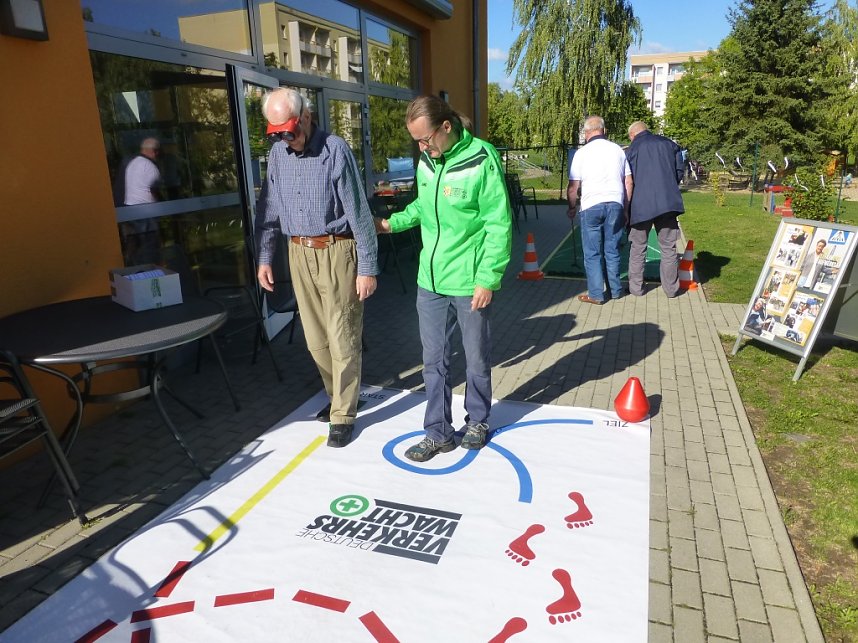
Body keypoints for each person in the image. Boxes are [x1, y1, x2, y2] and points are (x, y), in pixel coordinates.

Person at [375, 95, 512, 462]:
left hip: (469, 281)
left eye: (426, 139)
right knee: (433, 360)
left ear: (446, 128)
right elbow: (423, 205)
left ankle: (478, 420)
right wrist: (392, 223)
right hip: (430, 281)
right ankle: (438, 432)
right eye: (417, 141)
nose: (422, 147)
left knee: (475, 357)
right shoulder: (427, 161)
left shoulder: (482, 158)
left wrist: (488, 278)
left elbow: (498, 223)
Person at [255, 88, 378, 449]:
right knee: (315, 339)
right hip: (298, 253)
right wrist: (264, 257)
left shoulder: (334, 150)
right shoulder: (277, 155)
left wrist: (367, 267)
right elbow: (268, 211)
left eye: (288, 131)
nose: (283, 139)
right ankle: (335, 393)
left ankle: (343, 413)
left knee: (343, 334)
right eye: (275, 133)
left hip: (337, 250)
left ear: (306, 117)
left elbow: (358, 211)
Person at [567, 115, 633, 304]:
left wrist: (571, 207)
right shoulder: (618, 151)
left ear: (587, 133)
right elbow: (628, 181)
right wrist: (626, 209)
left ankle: (596, 294)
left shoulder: (582, 153)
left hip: (591, 206)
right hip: (615, 204)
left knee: (592, 252)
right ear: (604, 131)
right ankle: (616, 291)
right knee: (612, 250)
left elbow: (573, 186)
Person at [625, 121, 685, 298]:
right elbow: (679, 171)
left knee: (637, 248)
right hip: (667, 203)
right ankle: (672, 290)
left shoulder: (631, 150)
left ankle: (636, 289)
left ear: (632, 135)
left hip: (640, 205)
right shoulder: (669, 144)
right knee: (668, 248)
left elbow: (628, 178)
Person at [120, 137, 163, 265]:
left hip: (130, 211)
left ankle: (135, 270)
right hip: (146, 212)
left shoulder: (132, 164)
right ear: (154, 151)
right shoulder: (150, 167)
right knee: (149, 246)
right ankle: (151, 272)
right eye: (157, 151)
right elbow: (155, 191)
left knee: (134, 245)